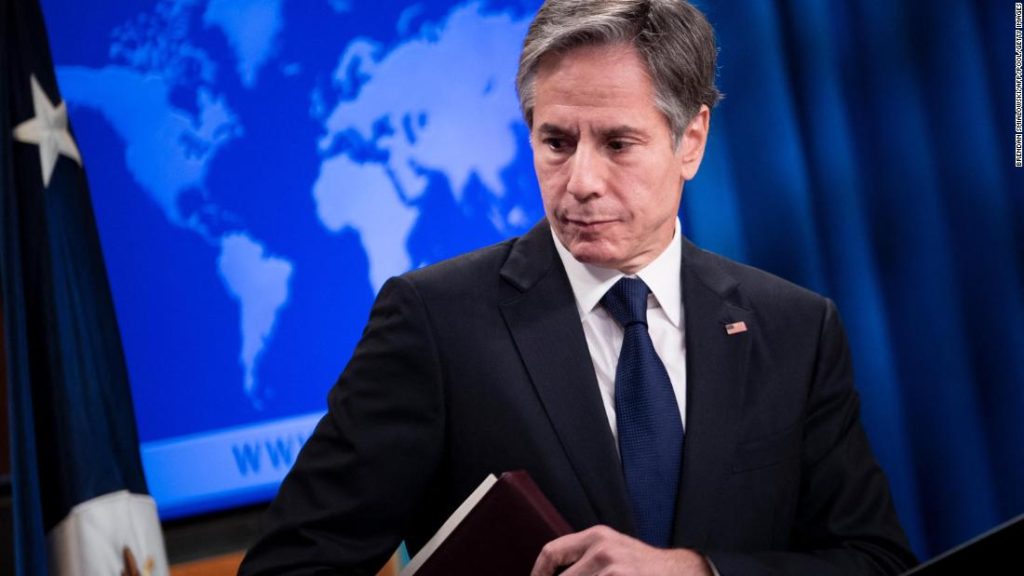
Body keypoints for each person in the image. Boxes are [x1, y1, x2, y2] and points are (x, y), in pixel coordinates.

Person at [239, 1, 917, 574]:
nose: (581, 181)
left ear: (691, 140)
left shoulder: (795, 328)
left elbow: (874, 562)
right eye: (557, 143)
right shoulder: (434, 322)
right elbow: (290, 566)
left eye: (618, 144)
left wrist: (698, 571)